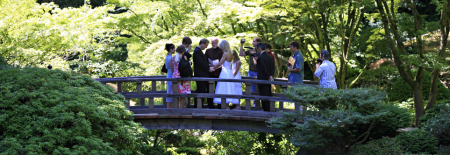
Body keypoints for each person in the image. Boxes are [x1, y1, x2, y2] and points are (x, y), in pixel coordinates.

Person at [212, 40, 239, 109]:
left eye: (221, 47)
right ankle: (227, 106)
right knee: (228, 88)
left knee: (224, 87)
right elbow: (226, 63)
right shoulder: (231, 53)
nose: (221, 48)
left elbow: (220, 63)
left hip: (224, 72)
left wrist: (213, 68)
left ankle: (226, 106)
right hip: (229, 71)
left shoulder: (225, 53)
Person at [193, 38, 212, 108]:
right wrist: (208, 68)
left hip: (202, 74)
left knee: (202, 90)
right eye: (206, 45)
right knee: (200, 90)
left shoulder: (199, 51)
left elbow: (202, 62)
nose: (206, 47)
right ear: (202, 43)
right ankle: (198, 106)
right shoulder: (197, 51)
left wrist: (208, 65)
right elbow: (200, 63)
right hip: (200, 74)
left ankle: (200, 105)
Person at [205, 37, 223, 109]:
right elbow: (205, 60)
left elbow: (224, 61)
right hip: (211, 73)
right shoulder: (208, 51)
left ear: (217, 43)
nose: (213, 44)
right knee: (210, 90)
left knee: (219, 89)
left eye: (214, 43)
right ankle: (210, 105)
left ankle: (220, 105)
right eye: (212, 43)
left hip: (219, 73)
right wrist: (209, 65)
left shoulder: (221, 51)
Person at [255, 43, 274, 112]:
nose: (257, 50)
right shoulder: (269, 56)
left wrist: (266, 77)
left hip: (262, 79)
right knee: (267, 94)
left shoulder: (260, 58)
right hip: (268, 78)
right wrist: (270, 76)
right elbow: (272, 67)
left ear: (260, 48)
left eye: (257, 49)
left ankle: (265, 110)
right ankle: (268, 109)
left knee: (263, 95)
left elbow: (262, 69)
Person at [165, 43, 175, 108]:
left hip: (169, 74)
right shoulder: (170, 58)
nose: (175, 50)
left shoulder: (168, 57)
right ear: (171, 49)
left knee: (170, 91)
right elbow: (172, 68)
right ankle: (169, 108)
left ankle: (170, 108)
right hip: (171, 75)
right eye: (174, 48)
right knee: (170, 91)